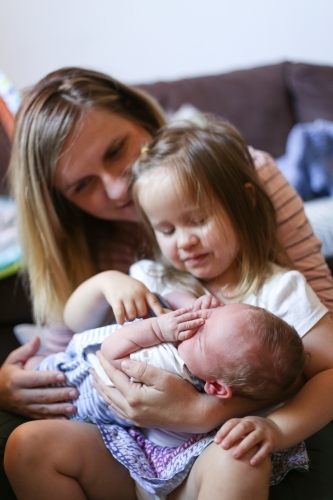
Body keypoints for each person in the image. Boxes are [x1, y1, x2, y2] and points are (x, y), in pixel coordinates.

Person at [1, 67, 333, 500]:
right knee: (27, 445)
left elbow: (308, 360)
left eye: (117, 150)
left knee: (237, 461)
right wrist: (8, 383)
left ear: (141, 117)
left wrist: (202, 411)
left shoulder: (266, 262)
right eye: (83, 185)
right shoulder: (148, 272)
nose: (118, 188)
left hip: (210, 444)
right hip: (128, 443)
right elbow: (70, 343)